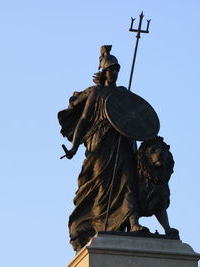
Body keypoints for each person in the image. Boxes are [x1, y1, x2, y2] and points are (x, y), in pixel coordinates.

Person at [58, 45, 144, 251]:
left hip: (122, 139)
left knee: (127, 180)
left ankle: (133, 222)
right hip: (100, 143)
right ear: (103, 72)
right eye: (110, 70)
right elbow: (85, 119)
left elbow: (138, 117)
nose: (113, 73)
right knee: (101, 186)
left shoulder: (123, 93)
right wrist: (74, 146)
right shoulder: (97, 92)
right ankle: (98, 225)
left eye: (116, 70)